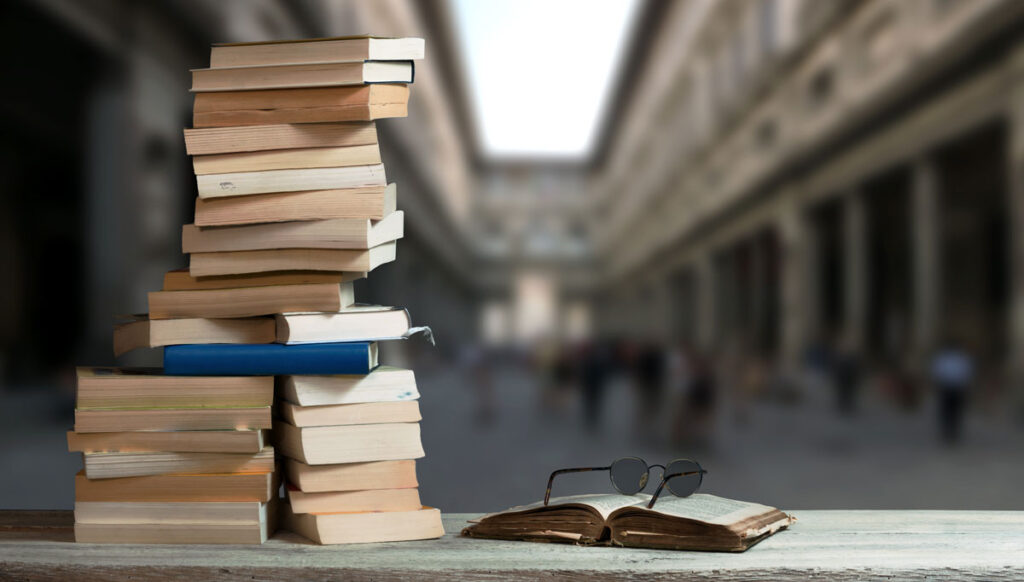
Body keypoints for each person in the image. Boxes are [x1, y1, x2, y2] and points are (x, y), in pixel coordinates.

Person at [930, 339, 973, 445]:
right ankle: (948, 432)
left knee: (954, 412)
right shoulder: (959, 358)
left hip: (953, 388)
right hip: (950, 387)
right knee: (949, 411)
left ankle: (952, 432)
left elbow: (937, 372)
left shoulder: (955, 358)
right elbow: (967, 372)